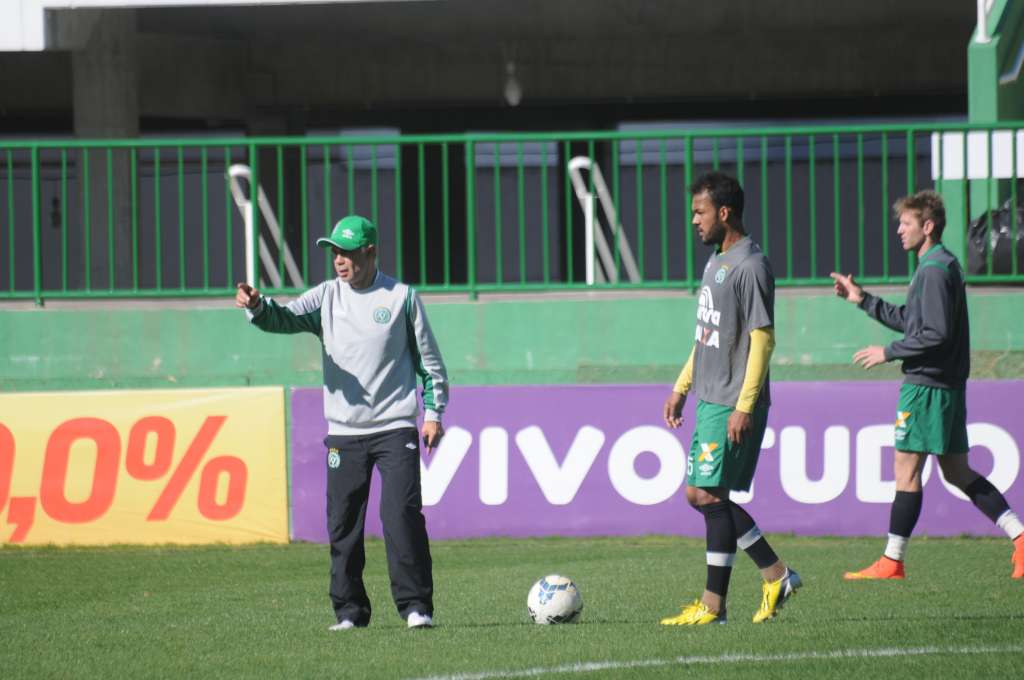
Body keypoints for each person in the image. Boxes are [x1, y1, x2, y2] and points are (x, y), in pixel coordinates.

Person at [235, 214, 449, 628]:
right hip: (344, 433)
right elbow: (284, 318)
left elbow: (430, 363)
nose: (339, 260)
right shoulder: (325, 297)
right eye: (334, 252)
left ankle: (416, 608)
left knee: (401, 516)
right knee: (343, 524)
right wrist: (258, 305)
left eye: (347, 252)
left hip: (395, 426)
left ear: (370, 252)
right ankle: (350, 612)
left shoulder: (401, 297)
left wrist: (433, 413)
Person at [831, 190, 1024, 580]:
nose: (900, 230)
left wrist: (889, 352)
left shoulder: (935, 269)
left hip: (927, 387)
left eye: (906, 223)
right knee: (957, 473)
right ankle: (1020, 537)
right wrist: (862, 299)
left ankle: (892, 558)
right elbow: (914, 321)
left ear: (928, 226)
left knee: (906, 470)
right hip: (944, 386)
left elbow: (934, 333)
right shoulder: (938, 265)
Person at [660, 171, 801, 626]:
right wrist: (683, 386)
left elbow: (762, 340)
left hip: (731, 401)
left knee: (702, 493)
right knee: (706, 493)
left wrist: (744, 404)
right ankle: (720, 604)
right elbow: (707, 335)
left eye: (699, 212)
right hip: (711, 396)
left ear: (724, 213)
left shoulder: (750, 266)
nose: (693, 221)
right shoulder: (716, 262)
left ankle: (768, 577)